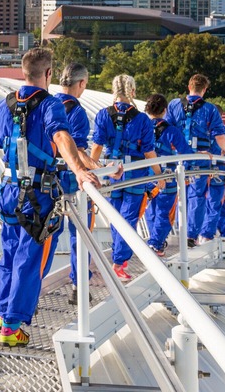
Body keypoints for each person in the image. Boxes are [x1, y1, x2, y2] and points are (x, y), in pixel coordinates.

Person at [0, 47, 99, 348]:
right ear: (48, 74)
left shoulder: (2, 106)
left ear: (23, 72)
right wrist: (79, 171)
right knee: (29, 261)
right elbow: (61, 138)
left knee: (9, 254)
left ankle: (3, 310)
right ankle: (13, 325)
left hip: (8, 192)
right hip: (38, 197)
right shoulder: (51, 106)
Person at [90, 74, 160, 282]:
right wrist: (159, 174)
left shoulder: (103, 115)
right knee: (128, 218)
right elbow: (148, 152)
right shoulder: (142, 120)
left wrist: (94, 172)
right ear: (133, 92)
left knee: (115, 215)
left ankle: (118, 258)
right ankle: (119, 263)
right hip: (134, 173)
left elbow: (96, 148)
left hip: (111, 172)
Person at [166, 74, 225, 247]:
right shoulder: (210, 109)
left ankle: (170, 232)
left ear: (189, 86)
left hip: (178, 155)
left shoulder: (174, 104)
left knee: (176, 191)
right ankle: (190, 234)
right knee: (197, 195)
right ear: (205, 89)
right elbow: (219, 134)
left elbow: (166, 128)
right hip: (199, 157)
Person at [53, 62, 91, 304]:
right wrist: (98, 169)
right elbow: (78, 151)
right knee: (79, 234)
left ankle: (29, 296)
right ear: (82, 83)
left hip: (47, 180)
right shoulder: (77, 113)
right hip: (71, 180)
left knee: (44, 237)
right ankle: (79, 286)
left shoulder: (48, 104)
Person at [143, 93, 189, 256]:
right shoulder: (172, 131)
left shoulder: (141, 127)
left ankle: (155, 241)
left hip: (146, 177)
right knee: (165, 212)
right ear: (165, 110)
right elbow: (186, 153)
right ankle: (156, 243)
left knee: (151, 210)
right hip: (167, 177)